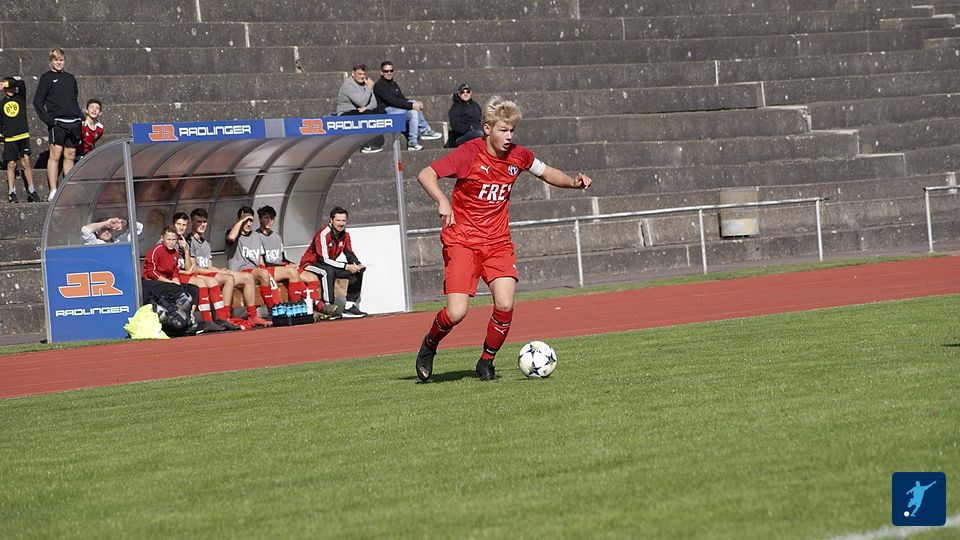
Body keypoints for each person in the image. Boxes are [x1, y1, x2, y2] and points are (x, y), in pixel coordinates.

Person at [414, 97, 593, 382]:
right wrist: (442, 201)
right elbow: (426, 174)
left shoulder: (518, 155)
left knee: (505, 304)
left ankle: (486, 362)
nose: (509, 136)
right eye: (503, 130)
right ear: (487, 129)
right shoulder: (468, 154)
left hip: (497, 242)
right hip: (463, 241)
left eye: (512, 131)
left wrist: (573, 183)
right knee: (456, 313)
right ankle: (430, 344)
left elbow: (547, 172)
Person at [187, 208, 272, 328]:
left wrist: (221, 270)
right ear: (192, 223)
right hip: (198, 277)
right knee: (228, 278)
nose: (202, 225)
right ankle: (225, 317)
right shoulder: (189, 241)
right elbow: (194, 268)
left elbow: (209, 266)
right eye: (198, 222)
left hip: (209, 273)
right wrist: (220, 272)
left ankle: (253, 316)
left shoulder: (205, 243)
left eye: (204, 222)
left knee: (247, 277)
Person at [255, 205, 340, 319]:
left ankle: (311, 307)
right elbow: (264, 262)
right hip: (269, 269)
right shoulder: (256, 237)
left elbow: (282, 258)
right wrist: (286, 267)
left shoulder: (277, 237)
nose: (269, 221)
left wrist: (291, 263)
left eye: (272, 218)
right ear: (260, 219)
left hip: (282, 266)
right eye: (266, 218)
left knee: (312, 277)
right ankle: (315, 306)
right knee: (293, 273)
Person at [171, 212, 240, 331]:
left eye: (184, 225)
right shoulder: (171, 241)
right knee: (202, 282)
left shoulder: (184, 242)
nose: (181, 227)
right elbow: (173, 268)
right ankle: (207, 321)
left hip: (185, 274)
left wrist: (186, 250)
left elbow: (189, 268)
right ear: (173, 225)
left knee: (213, 281)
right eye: (178, 224)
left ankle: (222, 318)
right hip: (174, 277)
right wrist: (186, 272)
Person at [298, 206, 367, 318]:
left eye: (344, 221)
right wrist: (345, 266)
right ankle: (328, 306)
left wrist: (357, 265)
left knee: (356, 271)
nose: (341, 224)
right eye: (338, 220)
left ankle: (349, 306)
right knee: (328, 271)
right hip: (310, 264)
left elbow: (349, 253)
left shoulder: (345, 235)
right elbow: (323, 259)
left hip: (328, 264)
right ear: (331, 220)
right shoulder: (324, 234)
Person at [33, 48, 83, 201]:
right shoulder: (46, 78)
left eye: (61, 60)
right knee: (55, 155)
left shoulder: (70, 78)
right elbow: (37, 101)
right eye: (56, 60)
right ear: (51, 61)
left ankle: (68, 190)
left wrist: (80, 117)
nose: (59, 62)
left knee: (70, 156)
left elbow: (74, 98)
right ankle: (53, 190)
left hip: (73, 122)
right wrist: (49, 120)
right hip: (57, 123)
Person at [142, 227, 201, 336]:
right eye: (168, 239)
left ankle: (188, 317)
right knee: (176, 290)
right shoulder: (156, 251)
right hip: (153, 283)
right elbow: (151, 272)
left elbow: (175, 272)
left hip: (168, 284)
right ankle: (174, 319)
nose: (171, 242)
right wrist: (170, 283)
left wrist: (177, 284)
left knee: (193, 289)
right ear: (162, 238)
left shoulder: (175, 253)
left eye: (174, 240)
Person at [373, 61, 442, 151]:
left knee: (413, 110)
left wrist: (415, 104)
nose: (389, 73)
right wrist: (412, 105)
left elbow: (402, 99)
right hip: (387, 111)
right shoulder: (379, 86)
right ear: (381, 72)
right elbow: (393, 101)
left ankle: (414, 141)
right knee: (413, 108)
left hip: (396, 110)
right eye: (386, 71)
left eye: (391, 70)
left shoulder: (394, 84)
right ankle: (424, 132)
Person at [226, 206, 279, 321]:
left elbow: (260, 259)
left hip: (254, 272)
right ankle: (269, 310)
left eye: (251, 220)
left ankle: (281, 309)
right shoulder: (233, 233)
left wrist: (263, 268)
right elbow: (231, 238)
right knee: (261, 274)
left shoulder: (256, 236)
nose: (249, 224)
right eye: (246, 220)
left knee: (288, 272)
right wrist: (241, 220)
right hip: (239, 273)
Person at [0, 76, 40, 202]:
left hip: (22, 135)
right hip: (10, 138)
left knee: (26, 162)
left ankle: (32, 190)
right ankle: (11, 192)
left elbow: (21, 83)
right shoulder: (1, 103)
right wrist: (2, 138)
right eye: (7, 88)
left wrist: (8, 83)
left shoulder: (20, 98)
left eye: (11, 87)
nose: (10, 90)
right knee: (11, 164)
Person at [335, 64, 383, 154]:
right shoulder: (348, 85)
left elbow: (374, 103)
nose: (362, 77)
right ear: (353, 74)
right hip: (345, 114)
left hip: (359, 111)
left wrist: (366, 107)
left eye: (364, 74)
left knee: (376, 111)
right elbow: (361, 102)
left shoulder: (365, 85)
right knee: (367, 115)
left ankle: (372, 143)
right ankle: (367, 145)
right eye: (360, 74)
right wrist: (369, 88)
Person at [447, 83, 483, 148]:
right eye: (462, 92)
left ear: (471, 93)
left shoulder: (475, 105)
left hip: (478, 131)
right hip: (461, 136)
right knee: (480, 134)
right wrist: (469, 128)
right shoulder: (455, 108)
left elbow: (481, 118)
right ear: (459, 94)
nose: (465, 94)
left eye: (467, 92)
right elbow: (455, 125)